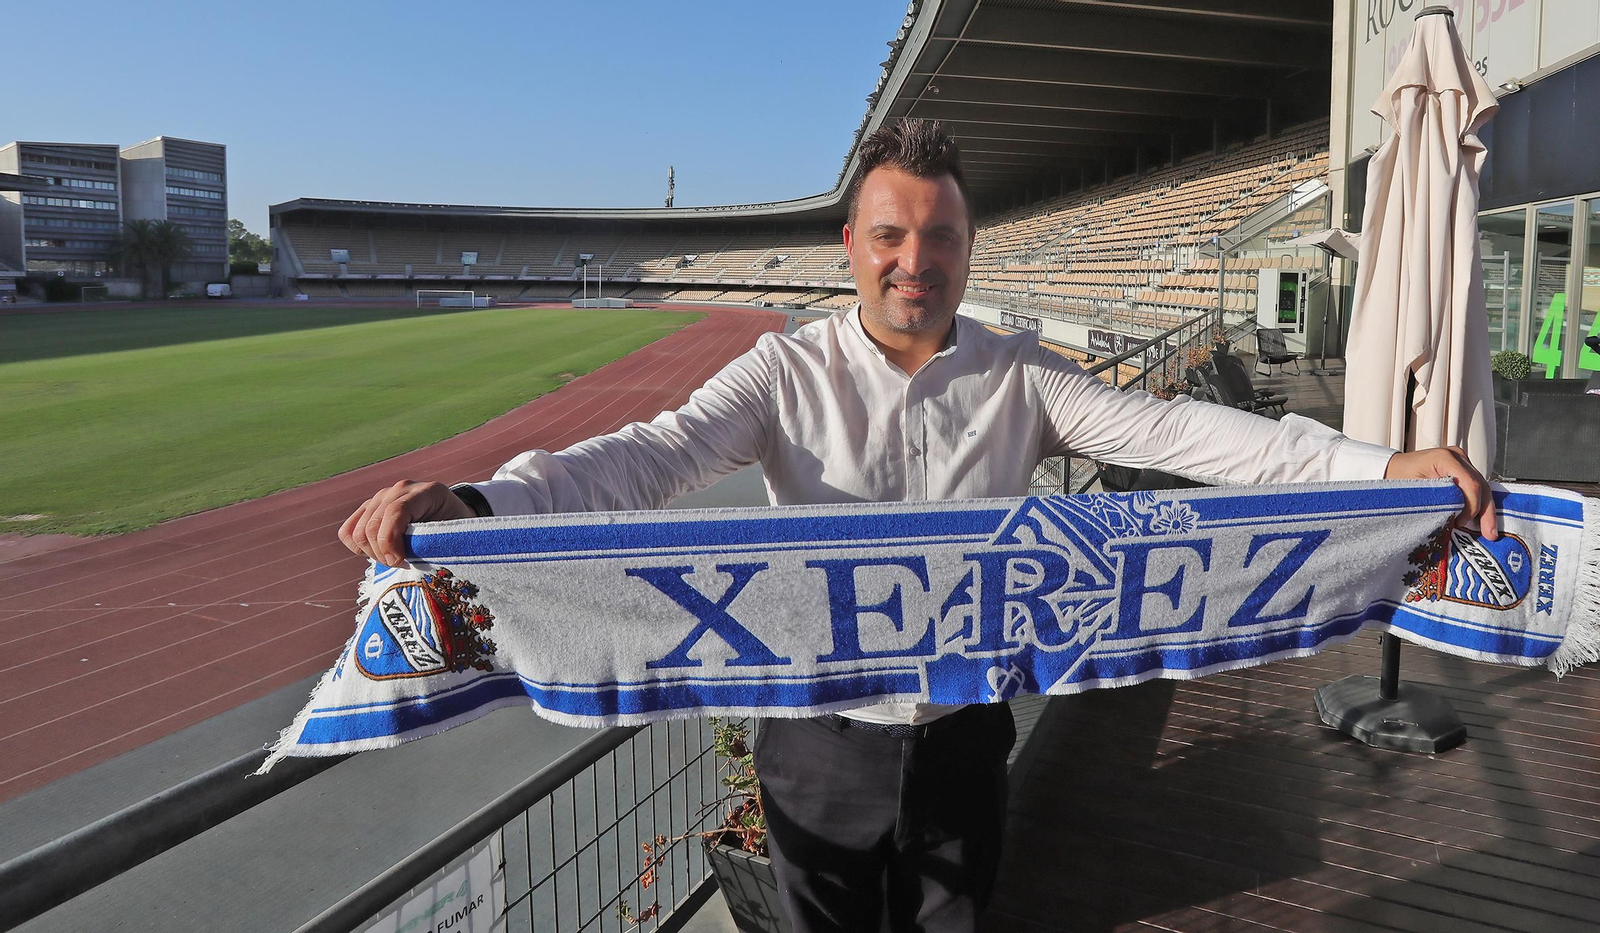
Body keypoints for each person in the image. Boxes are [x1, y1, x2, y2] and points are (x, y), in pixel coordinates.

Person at [340, 120, 1497, 933]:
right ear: (850, 246)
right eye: (890, 235)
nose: (914, 260)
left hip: (964, 732)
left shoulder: (1022, 375)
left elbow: (1186, 434)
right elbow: (649, 456)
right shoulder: (781, 373)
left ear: (967, 251)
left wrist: (1377, 466)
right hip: (814, 739)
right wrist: (486, 505)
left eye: (939, 236)